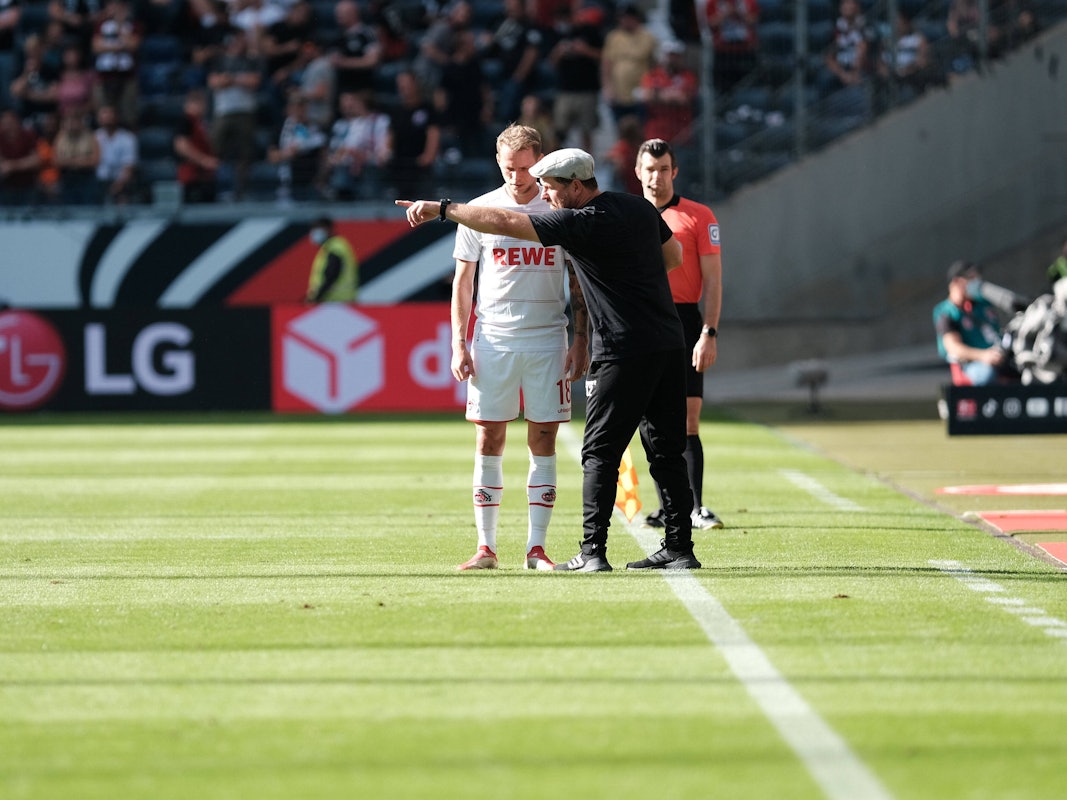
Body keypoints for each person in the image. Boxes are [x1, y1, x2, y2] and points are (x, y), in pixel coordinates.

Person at [397, 147, 702, 573]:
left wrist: (444, 208)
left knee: (599, 452)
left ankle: (592, 552)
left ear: (576, 186)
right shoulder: (637, 208)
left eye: (551, 187)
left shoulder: (578, 223)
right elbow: (674, 258)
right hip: (669, 342)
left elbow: (504, 222)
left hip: (621, 348)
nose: (545, 194)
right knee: (666, 450)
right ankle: (679, 548)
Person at [447, 124, 590, 572]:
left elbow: (576, 279)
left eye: (527, 168)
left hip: (549, 338)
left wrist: (580, 338)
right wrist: (458, 342)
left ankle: (536, 548)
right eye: (510, 168)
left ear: (540, 162)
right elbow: (463, 281)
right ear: (498, 163)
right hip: (493, 338)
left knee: (543, 438)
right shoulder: (480, 210)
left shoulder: (559, 209)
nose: (518, 177)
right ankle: (486, 547)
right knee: (489, 436)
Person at [635, 138, 724, 531]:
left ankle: (696, 508)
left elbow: (715, 281)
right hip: (639, 322)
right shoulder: (628, 215)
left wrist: (709, 331)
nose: (657, 177)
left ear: (675, 172)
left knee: (688, 420)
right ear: (638, 172)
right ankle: (667, 507)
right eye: (650, 170)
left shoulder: (699, 216)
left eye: (664, 169)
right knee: (649, 422)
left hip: (685, 321)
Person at [933, 260, 1008, 385]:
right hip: (972, 364)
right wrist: (983, 356)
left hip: (999, 356)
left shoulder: (983, 305)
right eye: (971, 278)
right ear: (956, 282)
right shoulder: (946, 312)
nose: (976, 282)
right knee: (986, 375)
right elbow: (953, 347)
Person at [599, 3, 658, 126]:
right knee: (621, 128)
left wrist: (652, 87)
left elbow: (654, 65)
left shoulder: (648, 37)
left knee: (640, 128)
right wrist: (607, 88)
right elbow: (606, 64)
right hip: (619, 93)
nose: (623, 21)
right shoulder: (614, 37)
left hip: (640, 92)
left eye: (626, 17)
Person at [638, 39, 698, 145]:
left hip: (680, 132)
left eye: (676, 56)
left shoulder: (688, 76)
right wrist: (672, 94)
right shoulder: (653, 75)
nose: (673, 59)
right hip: (656, 132)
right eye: (670, 55)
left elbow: (683, 99)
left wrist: (659, 94)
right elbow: (647, 96)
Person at [173, 87, 219, 203]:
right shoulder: (185, 120)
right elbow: (181, 146)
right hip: (191, 177)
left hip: (202, 177)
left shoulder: (199, 122)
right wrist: (203, 160)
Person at [704, 0, 760, 94]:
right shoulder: (713, 3)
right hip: (723, 52)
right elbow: (711, 24)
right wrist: (726, 13)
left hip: (745, 51)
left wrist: (739, 13)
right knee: (722, 89)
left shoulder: (749, 2)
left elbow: (754, 22)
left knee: (748, 85)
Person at [305, 216, 358, 303]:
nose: (315, 233)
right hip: (339, 301)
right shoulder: (330, 247)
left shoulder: (335, 247)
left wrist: (316, 297)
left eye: (319, 228)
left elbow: (331, 274)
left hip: (336, 302)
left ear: (330, 229)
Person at [94, 101, 137, 203]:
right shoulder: (94, 137)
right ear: (99, 118)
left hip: (121, 181)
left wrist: (119, 184)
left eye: (110, 113)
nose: (107, 117)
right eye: (104, 114)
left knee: (123, 194)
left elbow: (129, 166)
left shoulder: (128, 138)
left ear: (116, 117)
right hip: (98, 182)